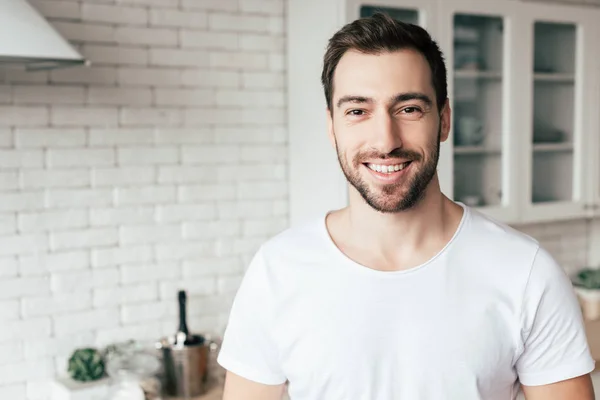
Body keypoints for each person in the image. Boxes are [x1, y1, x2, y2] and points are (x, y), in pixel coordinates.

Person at [216, 12, 596, 400]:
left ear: (444, 120)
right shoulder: (277, 270)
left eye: (409, 109)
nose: (386, 140)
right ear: (332, 126)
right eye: (357, 111)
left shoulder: (527, 274)